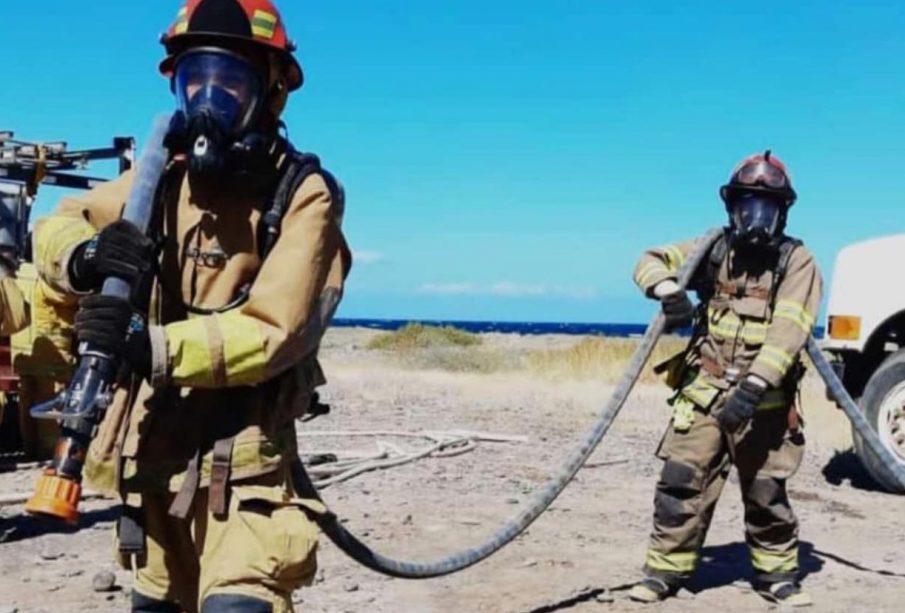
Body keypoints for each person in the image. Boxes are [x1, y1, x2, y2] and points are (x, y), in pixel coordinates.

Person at [32, 1, 352, 611]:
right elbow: (60, 223)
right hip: (153, 460)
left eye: (229, 80)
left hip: (245, 467)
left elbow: (275, 330)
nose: (209, 97)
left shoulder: (302, 193)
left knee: (239, 604)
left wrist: (147, 346)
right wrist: (84, 257)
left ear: (271, 91)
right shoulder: (162, 178)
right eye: (194, 78)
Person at [628, 151, 822, 607]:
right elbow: (650, 259)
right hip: (703, 393)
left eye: (768, 207)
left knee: (766, 491)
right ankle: (665, 573)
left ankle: (776, 576)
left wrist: (754, 387)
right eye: (749, 204)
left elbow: (790, 329)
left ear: (783, 211)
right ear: (732, 207)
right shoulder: (711, 248)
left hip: (766, 403)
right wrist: (668, 288)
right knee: (681, 482)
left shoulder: (797, 262)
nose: (757, 217)